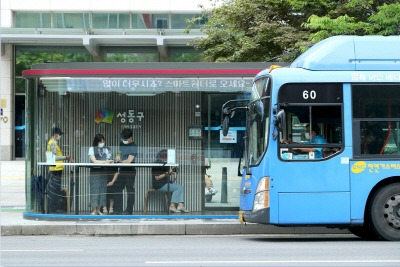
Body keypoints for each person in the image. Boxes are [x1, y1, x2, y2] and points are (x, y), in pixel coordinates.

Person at [46, 127, 74, 213]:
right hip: (55, 170)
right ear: (55, 134)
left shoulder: (52, 143)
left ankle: (53, 208)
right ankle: (54, 209)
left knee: (55, 189)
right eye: (60, 135)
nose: (60, 136)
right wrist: (66, 157)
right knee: (55, 190)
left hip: (55, 169)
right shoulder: (53, 143)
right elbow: (54, 157)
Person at [113, 128, 138, 215]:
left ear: (130, 138)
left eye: (125, 139)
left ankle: (129, 210)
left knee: (130, 190)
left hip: (130, 171)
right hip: (122, 169)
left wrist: (119, 161)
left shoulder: (133, 146)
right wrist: (118, 157)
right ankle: (118, 210)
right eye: (123, 139)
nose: (123, 141)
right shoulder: (121, 143)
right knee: (117, 188)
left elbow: (128, 161)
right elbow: (120, 152)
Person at [88, 134, 114, 215]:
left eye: (103, 141)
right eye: (100, 141)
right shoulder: (92, 149)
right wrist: (105, 162)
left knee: (102, 190)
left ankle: (99, 209)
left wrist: (106, 161)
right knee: (94, 190)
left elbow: (107, 159)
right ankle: (94, 209)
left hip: (103, 171)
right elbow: (94, 161)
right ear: (96, 142)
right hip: (94, 172)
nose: (102, 143)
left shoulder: (107, 149)